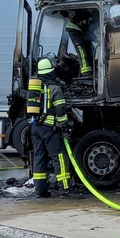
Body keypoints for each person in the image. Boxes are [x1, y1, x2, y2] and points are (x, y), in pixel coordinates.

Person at [28, 56, 83, 198]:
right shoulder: (55, 89)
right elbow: (60, 111)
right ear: (51, 72)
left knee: (39, 158)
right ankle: (65, 189)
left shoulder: (35, 88)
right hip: (49, 130)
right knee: (59, 157)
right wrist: (65, 127)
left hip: (36, 128)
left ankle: (40, 190)